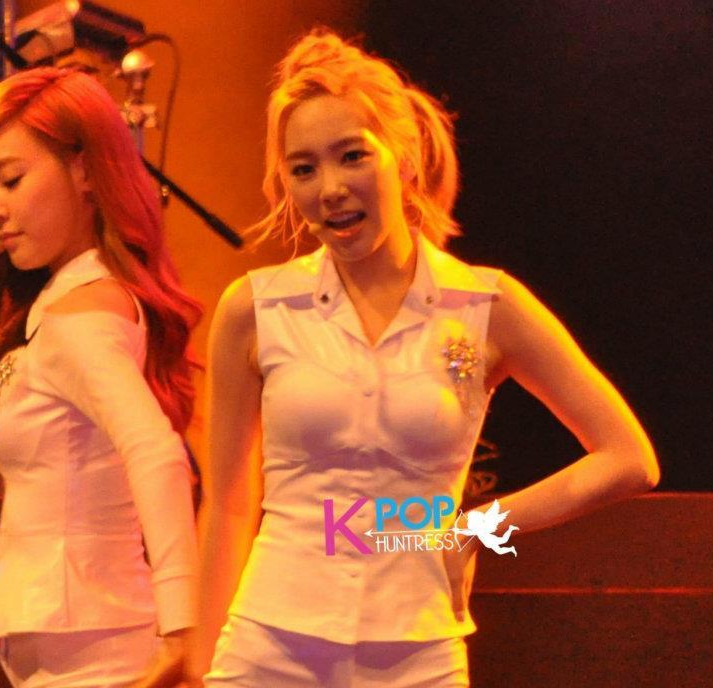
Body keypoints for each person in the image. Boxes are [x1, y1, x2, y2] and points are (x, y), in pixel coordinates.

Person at [191, 30, 659, 687]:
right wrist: (198, 664)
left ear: (404, 157)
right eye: (304, 169)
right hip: (268, 648)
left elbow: (628, 457)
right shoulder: (255, 308)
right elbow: (229, 505)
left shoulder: (486, 305)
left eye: (352, 156)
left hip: (418, 654)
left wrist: (474, 527)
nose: (330, 188)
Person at [0, 66, 201, 688]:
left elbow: (158, 453)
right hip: (76, 640)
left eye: (12, 179)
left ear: (84, 171)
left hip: (95, 651)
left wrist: (184, 626)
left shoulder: (80, 316)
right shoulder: (66, 303)